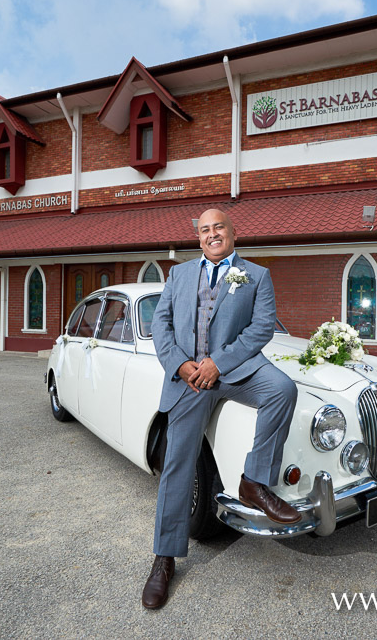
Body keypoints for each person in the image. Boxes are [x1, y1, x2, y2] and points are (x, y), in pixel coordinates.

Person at [142, 208, 300, 609]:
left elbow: (261, 327)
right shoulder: (177, 275)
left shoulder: (256, 275)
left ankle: (254, 482)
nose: (213, 234)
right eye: (205, 229)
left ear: (233, 233)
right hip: (189, 375)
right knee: (178, 462)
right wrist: (181, 364)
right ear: (199, 238)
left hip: (233, 369)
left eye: (219, 228)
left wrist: (219, 363)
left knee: (283, 388)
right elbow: (161, 326)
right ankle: (164, 558)